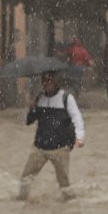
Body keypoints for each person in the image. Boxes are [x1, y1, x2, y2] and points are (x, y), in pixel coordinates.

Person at [16, 67, 85, 199]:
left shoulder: (66, 98)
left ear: (56, 82)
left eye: (50, 81)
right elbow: (28, 121)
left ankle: (70, 204)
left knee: (64, 183)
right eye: (45, 81)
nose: (47, 84)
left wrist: (80, 137)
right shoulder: (39, 98)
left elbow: (77, 118)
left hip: (60, 148)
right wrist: (30, 107)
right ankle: (21, 201)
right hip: (40, 148)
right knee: (26, 178)